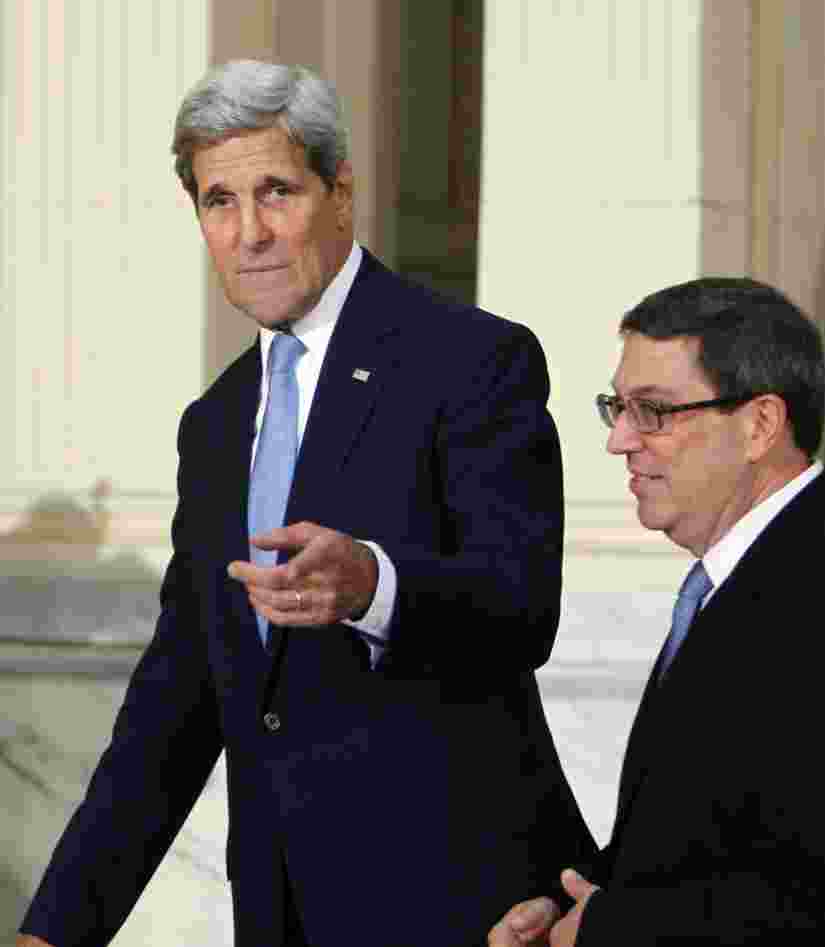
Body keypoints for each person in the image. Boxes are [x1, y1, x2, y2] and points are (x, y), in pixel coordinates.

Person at [17, 60, 593, 947]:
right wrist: (56, 930)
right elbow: (177, 701)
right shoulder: (213, 425)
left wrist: (375, 584)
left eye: (276, 190)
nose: (249, 232)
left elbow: (522, 606)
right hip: (284, 916)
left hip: (469, 911)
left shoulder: (471, 359)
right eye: (219, 201)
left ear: (341, 191)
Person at [489, 278, 825, 945]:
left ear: (759, 425)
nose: (619, 440)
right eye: (616, 408)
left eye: (653, 412)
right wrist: (571, 904)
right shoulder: (753, 574)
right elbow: (704, 836)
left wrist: (608, 929)